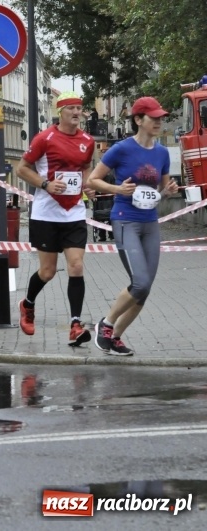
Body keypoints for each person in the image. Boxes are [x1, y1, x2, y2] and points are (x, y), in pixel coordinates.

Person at [88, 96, 179, 356]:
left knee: (144, 289)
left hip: (150, 223)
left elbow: (162, 189)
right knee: (139, 283)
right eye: (154, 118)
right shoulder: (121, 149)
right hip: (125, 219)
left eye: (161, 118)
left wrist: (168, 191)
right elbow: (93, 180)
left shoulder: (161, 152)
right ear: (138, 119)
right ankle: (106, 324)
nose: (159, 122)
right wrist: (117, 188)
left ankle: (115, 337)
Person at [15, 91, 96, 346]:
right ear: (60, 112)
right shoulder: (44, 138)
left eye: (79, 108)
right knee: (48, 271)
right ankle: (28, 304)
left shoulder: (87, 141)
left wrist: (88, 185)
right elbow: (21, 169)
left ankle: (75, 325)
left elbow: (86, 168)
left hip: (74, 213)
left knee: (76, 266)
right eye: (71, 108)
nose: (76, 112)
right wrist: (46, 184)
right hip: (46, 214)